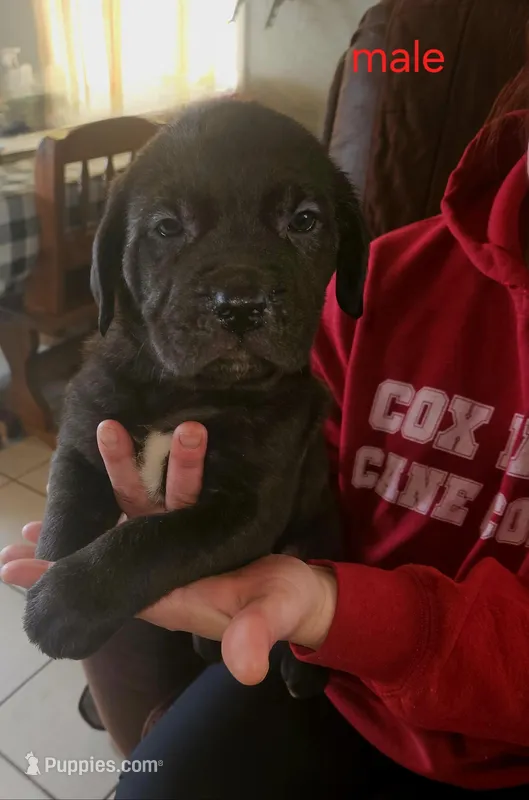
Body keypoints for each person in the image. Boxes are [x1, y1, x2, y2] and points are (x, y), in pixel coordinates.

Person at [4, 74, 529, 800]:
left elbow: (251, 512)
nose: (239, 290)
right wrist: (72, 544)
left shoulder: (284, 395)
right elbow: (80, 457)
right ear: (112, 264)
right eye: (168, 228)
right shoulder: (114, 378)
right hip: (306, 635)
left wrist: (322, 607)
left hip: (375, 636)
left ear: (347, 252)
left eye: (301, 221)